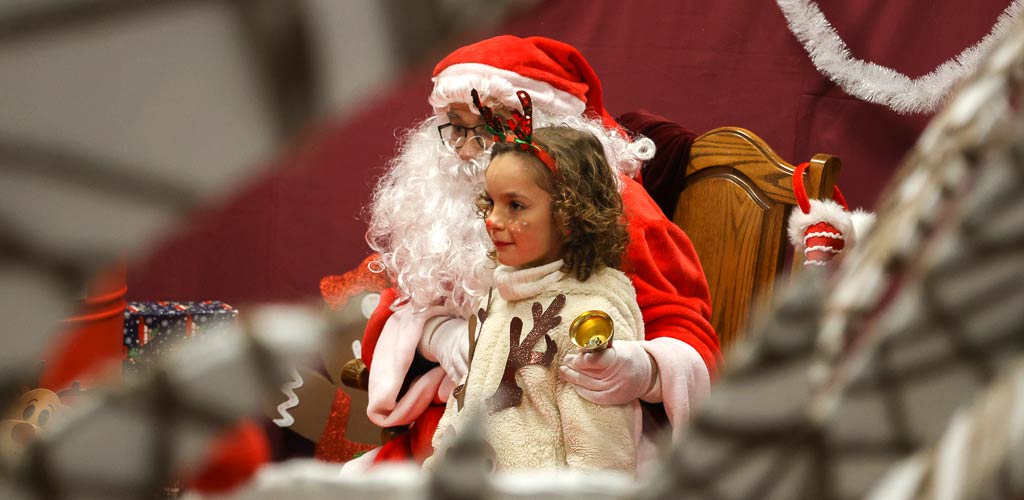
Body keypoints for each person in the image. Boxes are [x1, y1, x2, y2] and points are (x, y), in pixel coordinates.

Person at [325, 35, 719, 467]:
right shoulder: (442, 206)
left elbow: (687, 331)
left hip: (570, 440)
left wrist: (644, 370)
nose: (469, 147)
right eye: (456, 126)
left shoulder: (619, 211)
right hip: (448, 434)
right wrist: (438, 335)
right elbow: (397, 305)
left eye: (492, 124)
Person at [423, 91, 643, 471]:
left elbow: (602, 462)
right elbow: (463, 407)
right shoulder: (498, 297)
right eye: (490, 202)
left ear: (571, 214)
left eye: (515, 205)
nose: (492, 219)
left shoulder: (588, 320)